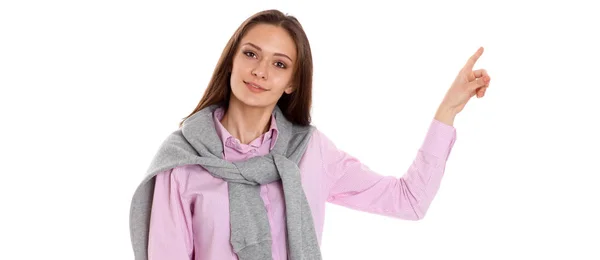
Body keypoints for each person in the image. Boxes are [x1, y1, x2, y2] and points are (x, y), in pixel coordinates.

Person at [129, 9, 491, 260]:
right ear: (232, 62)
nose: (260, 71)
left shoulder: (309, 152)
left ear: (291, 83)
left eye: (279, 64)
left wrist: (448, 111)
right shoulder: (183, 162)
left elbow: (409, 201)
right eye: (251, 54)